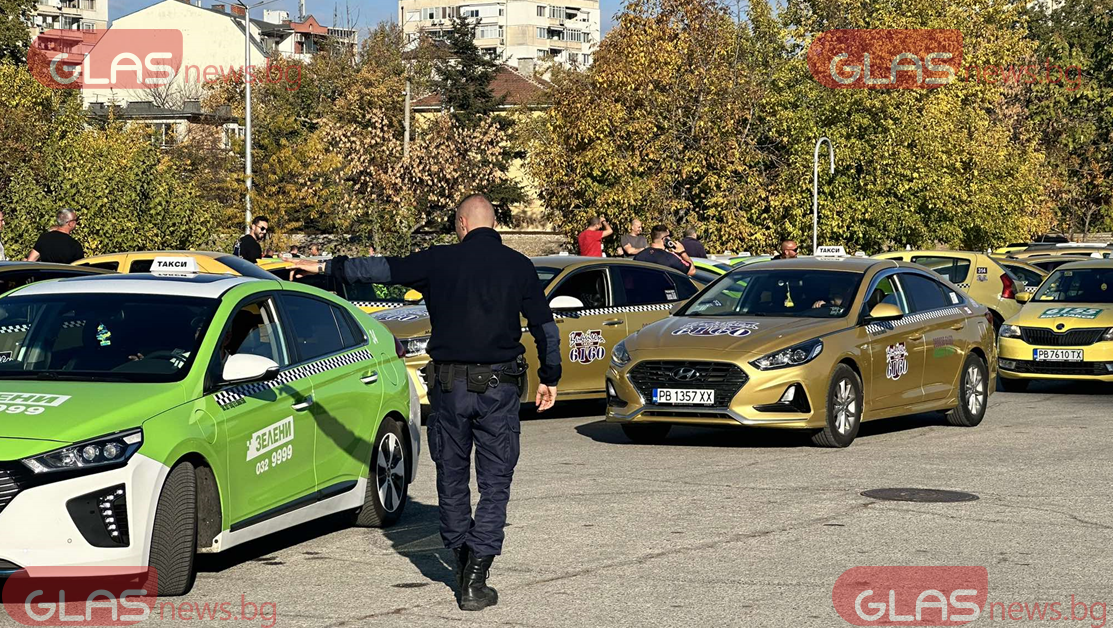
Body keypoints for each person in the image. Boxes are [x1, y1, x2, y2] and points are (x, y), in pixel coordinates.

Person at [292, 194, 561, 612]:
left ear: (461, 224)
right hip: (499, 390)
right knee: (495, 484)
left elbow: (384, 268)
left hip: (449, 388)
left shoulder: (438, 261)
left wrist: (328, 267)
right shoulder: (519, 266)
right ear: (494, 225)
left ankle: (460, 560)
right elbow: (546, 328)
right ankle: (476, 577)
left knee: (451, 478)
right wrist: (550, 377)